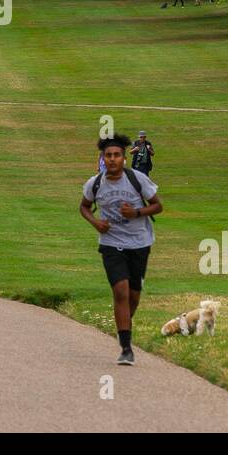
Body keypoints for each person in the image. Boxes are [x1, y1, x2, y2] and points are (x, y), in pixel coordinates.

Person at [80, 135, 163, 366]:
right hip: (111, 243)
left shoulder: (138, 180)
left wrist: (136, 213)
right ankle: (126, 347)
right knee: (121, 291)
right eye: (108, 156)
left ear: (124, 158)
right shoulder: (95, 183)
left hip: (139, 243)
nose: (113, 159)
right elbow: (84, 206)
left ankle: (123, 326)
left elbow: (158, 206)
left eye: (116, 155)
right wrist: (96, 223)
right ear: (103, 159)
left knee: (133, 295)